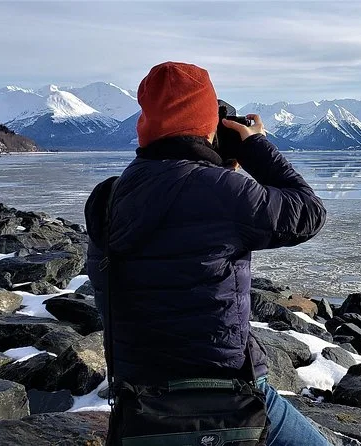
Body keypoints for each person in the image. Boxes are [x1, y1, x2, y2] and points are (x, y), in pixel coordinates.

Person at [85, 61, 329, 445]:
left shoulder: (110, 195)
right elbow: (308, 214)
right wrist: (255, 147)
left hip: (141, 398)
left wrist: (215, 163)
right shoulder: (222, 191)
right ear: (207, 124)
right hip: (223, 389)